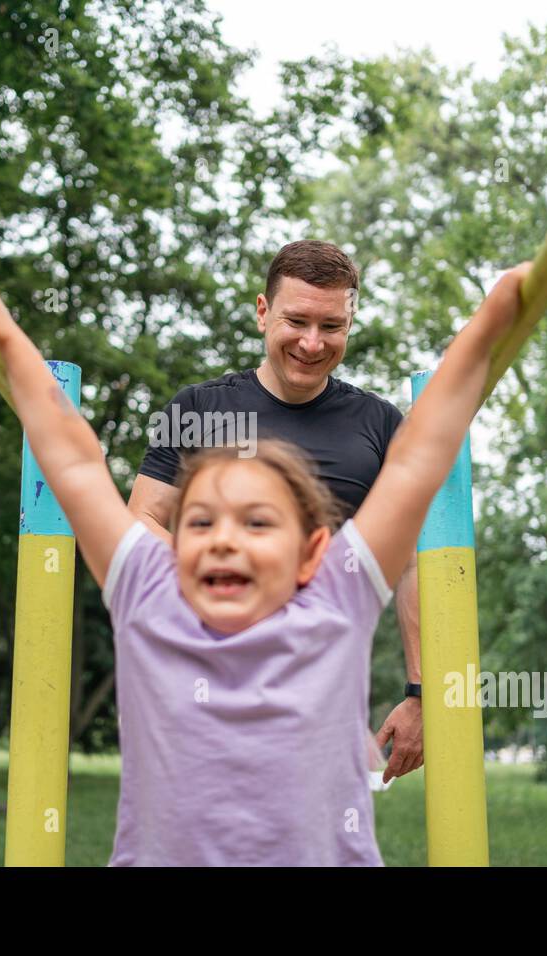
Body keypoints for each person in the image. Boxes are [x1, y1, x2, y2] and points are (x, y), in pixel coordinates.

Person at [0, 262, 528, 865]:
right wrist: (11, 343)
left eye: (257, 523)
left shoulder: (335, 602)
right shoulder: (151, 598)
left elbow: (419, 459)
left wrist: (487, 326)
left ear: (311, 555)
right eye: (200, 522)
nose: (225, 540)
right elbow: (73, 465)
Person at [128, 240, 426, 781]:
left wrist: (421, 692)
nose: (313, 343)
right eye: (297, 321)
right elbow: (142, 520)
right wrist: (228, 588)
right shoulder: (197, 409)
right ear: (264, 313)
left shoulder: (381, 426)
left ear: (350, 324)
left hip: (322, 696)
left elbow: (411, 561)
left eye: (332, 326)